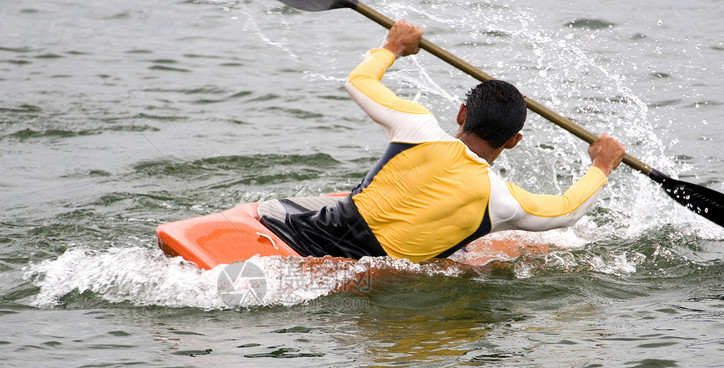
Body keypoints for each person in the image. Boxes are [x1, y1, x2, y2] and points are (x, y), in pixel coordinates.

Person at [258, 20, 626, 262]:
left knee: (279, 206)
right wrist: (602, 166)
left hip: (305, 236)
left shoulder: (415, 127)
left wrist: (393, 47)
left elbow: (360, 82)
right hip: (372, 275)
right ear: (514, 141)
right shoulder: (503, 202)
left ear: (461, 114)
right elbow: (567, 210)